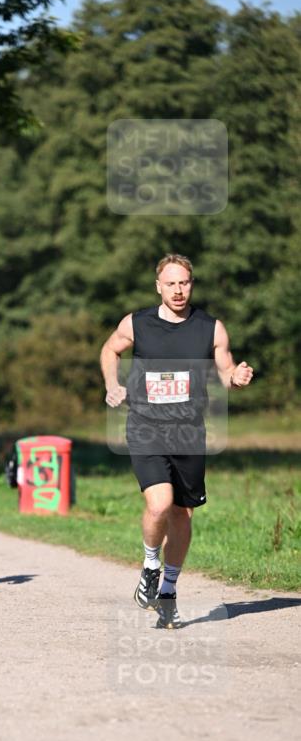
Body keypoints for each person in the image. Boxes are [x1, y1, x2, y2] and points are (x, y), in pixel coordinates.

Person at [100, 253, 253, 629]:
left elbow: (225, 369)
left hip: (188, 432)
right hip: (145, 426)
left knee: (183, 513)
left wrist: (236, 377)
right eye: (171, 283)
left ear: (191, 284)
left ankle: (168, 590)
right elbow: (110, 349)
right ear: (159, 287)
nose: (178, 290)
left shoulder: (211, 328)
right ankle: (151, 565)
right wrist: (112, 384)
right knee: (159, 505)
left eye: (184, 282)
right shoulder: (137, 323)